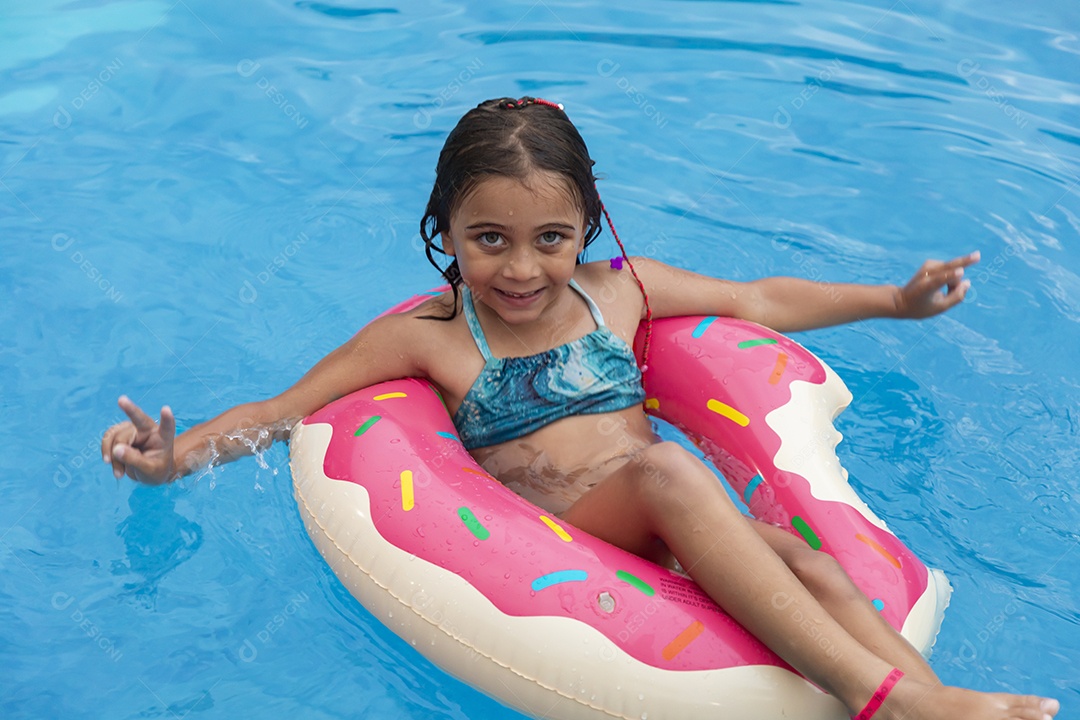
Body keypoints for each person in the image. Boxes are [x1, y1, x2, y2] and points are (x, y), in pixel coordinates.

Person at [102, 97, 1059, 720]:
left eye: (549, 239)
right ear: (444, 232)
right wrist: (175, 460)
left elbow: (757, 300)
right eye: (489, 240)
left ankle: (934, 702)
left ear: (587, 229)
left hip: (672, 519)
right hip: (572, 527)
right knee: (667, 469)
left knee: (819, 569)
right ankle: (878, 696)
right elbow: (286, 406)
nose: (520, 269)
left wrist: (892, 301)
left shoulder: (621, 293)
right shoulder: (429, 339)